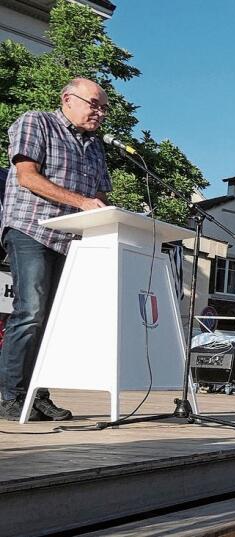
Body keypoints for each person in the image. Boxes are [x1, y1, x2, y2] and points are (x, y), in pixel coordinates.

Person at [0, 78, 112, 421]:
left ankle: (37, 394)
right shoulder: (36, 121)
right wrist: (80, 202)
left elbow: (101, 196)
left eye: (104, 108)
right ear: (67, 98)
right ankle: (10, 396)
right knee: (31, 312)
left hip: (71, 240)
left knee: (52, 323)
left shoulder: (96, 146)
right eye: (94, 104)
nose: (99, 113)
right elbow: (27, 177)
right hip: (31, 229)